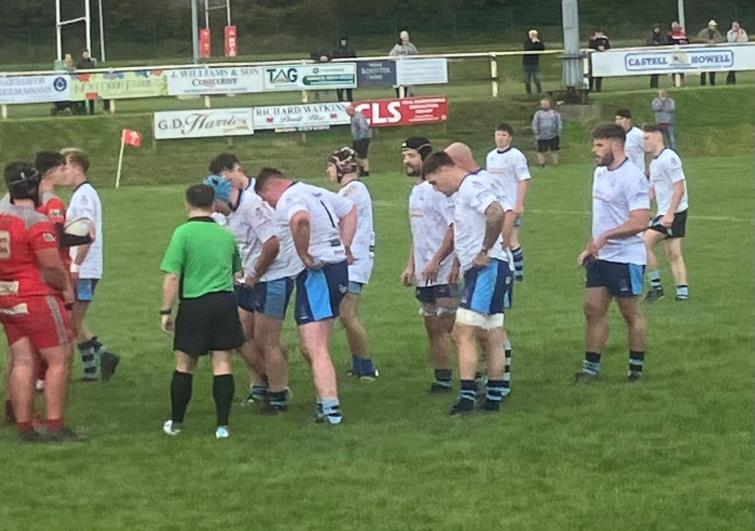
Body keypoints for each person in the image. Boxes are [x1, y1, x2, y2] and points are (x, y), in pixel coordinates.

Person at [255, 170, 357, 425]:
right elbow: (350, 210)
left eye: (267, 201)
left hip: (317, 273)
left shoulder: (290, 198)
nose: (271, 205)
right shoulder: (316, 190)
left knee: (315, 344)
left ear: (269, 190)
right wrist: (344, 245)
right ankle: (326, 403)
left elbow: (300, 220)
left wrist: (303, 254)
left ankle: (331, 409)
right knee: (314, 342)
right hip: (336, 268)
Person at [420, 151, 513, 415]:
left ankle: (467, 396)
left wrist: (484, 250)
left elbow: (496, 213)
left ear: (443, 169)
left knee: (463, 333)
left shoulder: (471, 187)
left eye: (435, 183)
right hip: (487, 268)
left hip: (487, 268)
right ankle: (494, 396)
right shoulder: (465, 191)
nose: (436, 190)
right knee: (492, 331)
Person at [0, 162, 78, 442]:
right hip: (35, 296)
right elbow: (52, 267)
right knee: (59, 358)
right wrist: (66, 288)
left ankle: (24, 427)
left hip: (6, 295)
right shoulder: (35, 221)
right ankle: (55, 425)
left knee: (21, 360)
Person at [160, 184, 244, 439]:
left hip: (195, 304)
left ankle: (176, 422)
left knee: (185, 363)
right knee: (222, 361)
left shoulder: (182, 234)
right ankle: (222, 425)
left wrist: (166, 310)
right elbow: (237, 272)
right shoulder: (226, 235)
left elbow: (173, 276)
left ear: (187, 204)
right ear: (213, 204)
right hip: (224, 303)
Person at [575, 124, 650, 383]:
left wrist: (606, 237)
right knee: (593, 309)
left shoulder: (633, 177)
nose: (594, 150)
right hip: (600, 258)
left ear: (615, 145)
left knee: (631, 313)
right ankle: (590, 369)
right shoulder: (600, 174)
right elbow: (600, 217)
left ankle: (635, 370)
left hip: (626, 258)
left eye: (599, 145)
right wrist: (590, 245)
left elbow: (641, 221)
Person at [447, 142, 516, 399]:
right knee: (487, 327)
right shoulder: (467, 186)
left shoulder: (481, 182)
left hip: (490, 264)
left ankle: (494, 384)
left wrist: (496, 248)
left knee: (477, 330)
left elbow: (506, 213)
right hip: (479, 263)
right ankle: (493, 386)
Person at [206, 154, 267, 406]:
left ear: (234, 170)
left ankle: (271, 383)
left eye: (223, 175)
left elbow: (271, 240)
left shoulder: (254, 199)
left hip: (258, 278)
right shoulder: (223, 206)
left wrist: (255, 273)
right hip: (237, 280)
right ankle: (262, 386)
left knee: (253, 338)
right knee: (245, 337)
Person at [400, 137, 459, 393]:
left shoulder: (439, 192)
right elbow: (419, 233)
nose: (406, 161)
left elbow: (454, 228)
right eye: (404, 156)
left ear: (424, 157)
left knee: (451, 325)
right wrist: (410, 265)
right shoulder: (415, 192)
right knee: (431, 325)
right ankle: (442, 378)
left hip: (444, 271)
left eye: (411, 156)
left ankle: (476, 376)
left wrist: (438, 260)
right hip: (425, 273)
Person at [61, 148, 120, 382]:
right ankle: (92, 370)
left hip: (84, 268)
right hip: (86, 266)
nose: (62, 173)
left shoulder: (84, 195)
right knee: (76, 321)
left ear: (77, 167)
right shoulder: (82, 193)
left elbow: (87, 231)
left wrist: (76, 264)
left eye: (65, 167)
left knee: (73, 321)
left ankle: (102, 356)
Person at [327, 148, 378, 380]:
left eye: (331, 166)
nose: (328, 171)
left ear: (342, 168)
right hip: (350, 259)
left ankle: (366, 365)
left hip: (354, 260)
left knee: (348, 314)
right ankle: (359, 364)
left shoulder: (355, 190)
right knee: (345, 314)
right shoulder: (349, 190)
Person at [642, 124, 689, 302]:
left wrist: (669, 214)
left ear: (657, 137)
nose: (644, 143)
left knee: (642, 245)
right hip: (668, 212)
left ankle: (657, 289)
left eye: (646, 138)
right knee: (673, 253)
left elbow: (679, 188)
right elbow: (655, 189)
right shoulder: (654, 162)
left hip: (673, 212)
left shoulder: (669, 158)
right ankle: (682, 293)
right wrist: (643, 208)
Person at [486, 123, 531, 283]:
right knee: (497, 241)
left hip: (510, 206)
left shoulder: (516, 156)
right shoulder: (490, 156)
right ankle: (507, 271)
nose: (500, 138)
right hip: (495, 206)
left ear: (510, 138)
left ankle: (516, 273)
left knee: (511, 241)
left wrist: (519, 203)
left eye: (504, 135)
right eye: (498, 134)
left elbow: (523, 180)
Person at [532, 97, 563, 167]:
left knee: (554, 150)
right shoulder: (538, 114)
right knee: (541, 151)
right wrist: (536, 133)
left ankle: (555, 164)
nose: (545, 105)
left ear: (549, 104)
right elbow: (535, 124)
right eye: (543, 104)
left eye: (546, 104)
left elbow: (559, 123)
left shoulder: (555, 113)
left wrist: (558, 132)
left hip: (553, 135)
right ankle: (542, 164)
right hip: (541, 136)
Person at [389, 30, 418, 98]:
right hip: (400, 70)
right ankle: (399, 97)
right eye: (404, 37)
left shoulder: (411, 46)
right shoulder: (397, 47)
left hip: (408, 70)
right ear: (401, 37)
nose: (406, 38)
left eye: (407, 36)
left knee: (409, 88)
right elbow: (390, 57)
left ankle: (409, 98)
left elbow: (416, 55)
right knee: (399, 86)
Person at [346, 104, 372, 177]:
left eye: (348, 112)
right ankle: (362, 169)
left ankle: (365, 170)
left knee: (362, 156)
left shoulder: (359, 116)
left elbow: (364, 127)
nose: (348, 114)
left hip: (362, 139)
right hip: (357, 139)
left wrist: (361, 138)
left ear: (352, 110)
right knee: (356, 156)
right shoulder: (353, 117)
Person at [696, 20, 724, 86]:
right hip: (704, 53)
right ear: (710, 26)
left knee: (713, 68)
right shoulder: (703, 32)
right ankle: (702, 83)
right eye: (713, 26)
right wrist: (707, 41)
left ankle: (712, 82)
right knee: (703, 69)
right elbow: (698, 39)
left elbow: (721, 39)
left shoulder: (716, 32)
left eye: (715, 26)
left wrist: (714, 41)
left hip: (712, 53)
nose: (714, 27)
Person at [332, 36, 356, 102]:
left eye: (345, 41)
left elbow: (354, 59)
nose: (344, 42)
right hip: (339, 72)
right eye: (342, 41)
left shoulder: (350, 50)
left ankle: (350, 101)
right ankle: (340, 101)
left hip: (348, 71)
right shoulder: (337, 50)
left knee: (349, 88)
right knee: (340, 89)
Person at [522, 29, 544, 96]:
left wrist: (538, 42)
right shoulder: (527, 42)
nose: (534, 36)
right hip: (526, 63)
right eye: (533, 35)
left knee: (537, 79)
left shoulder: (538, 42)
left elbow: (542, 48)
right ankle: (528, 93)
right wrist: (534, 43)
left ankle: (539, 92)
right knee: (527, 80)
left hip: (535, 63)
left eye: (535, 35)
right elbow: (528, 48)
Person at [76, 50, 97, 115]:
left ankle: (92, 111)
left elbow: (94, 71)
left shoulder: (91, 62)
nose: (86, 55)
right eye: (85, 54)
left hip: (90, 82)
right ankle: (83, 111)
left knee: (91, 96)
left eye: (87, 54)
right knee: (83, 97)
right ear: (82, 55)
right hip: (82, 82)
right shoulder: (79, 63)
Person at [646, 24, 667, 88]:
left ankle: (655, 85)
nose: (657, 30)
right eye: (656, 28)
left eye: (658, 28)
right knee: (653, 71)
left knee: (657, 72)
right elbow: (649, 43)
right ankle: (653, 85)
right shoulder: (650, 35)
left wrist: (658, 44)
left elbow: (665, 42)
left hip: (660, 55)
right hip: (653, 55)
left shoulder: (662, 35)